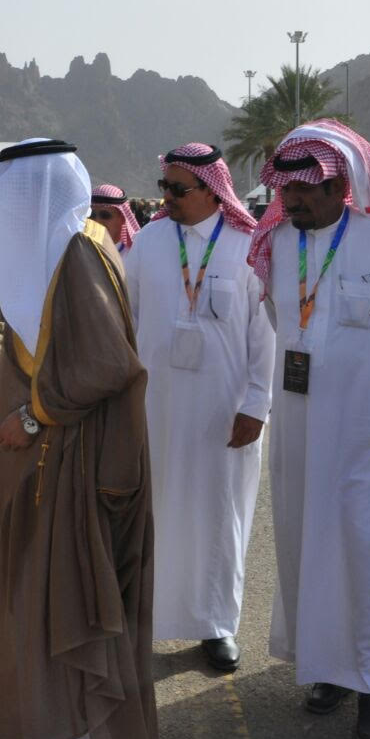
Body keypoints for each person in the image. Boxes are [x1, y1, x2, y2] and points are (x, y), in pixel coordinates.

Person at [0, 139, 158, 739]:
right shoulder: (57, 251)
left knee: (77, 598)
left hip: (77, 457)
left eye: (8, 194)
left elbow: (107, 365)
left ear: (35, 194)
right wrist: (1, 389)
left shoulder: (78, 253)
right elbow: (38, 347)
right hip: (53, 457)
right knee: (44, 596)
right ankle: (53, 725)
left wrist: (32, 415)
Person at [248, 119, 370, 739]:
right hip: (300, 425)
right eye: (286, 189)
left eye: (306, 189)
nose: (293, 199)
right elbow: (280, 321)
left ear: (339, 185)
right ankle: (327, 667)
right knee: (307, 540)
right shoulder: (277, 244)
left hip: (368, 427)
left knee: (367, 546)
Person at [123, 143, 272, 672]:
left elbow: (266, 334)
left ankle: (217, 624)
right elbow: (126, 318)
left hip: (223, 413)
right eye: (163, 186)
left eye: (177, 189)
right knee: (156, 511)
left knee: (219, 515)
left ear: (212, 191)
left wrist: (256, 404)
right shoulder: (149, 242)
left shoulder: (247, 245)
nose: (166, 197)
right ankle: (148, 619)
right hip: (157, 408)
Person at [90, 183, 140, 252]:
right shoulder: (81, 251)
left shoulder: (134, 253)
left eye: (105, 216)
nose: (97, 221)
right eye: (91, 215)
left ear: (122, 218)